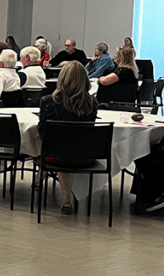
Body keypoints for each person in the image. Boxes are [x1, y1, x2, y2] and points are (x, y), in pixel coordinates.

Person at [38, 61, 98, 214]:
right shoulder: (92, 103)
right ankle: (65, 199)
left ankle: (47, 182)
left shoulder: (48, 101)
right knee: (68, 148)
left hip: (54, 157)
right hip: (85, 158)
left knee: (55, 148)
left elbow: (42, 132)